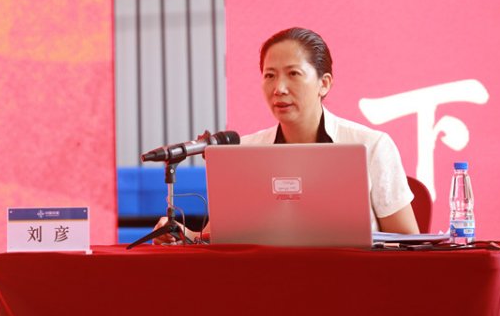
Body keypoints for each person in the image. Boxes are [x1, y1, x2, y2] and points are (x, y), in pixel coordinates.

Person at [152, 27, 419, 244]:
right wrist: (182, 235)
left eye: (293, 74)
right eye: (270, 75)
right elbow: (217, 238)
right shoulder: (243, 151)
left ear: (324, 83)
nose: (279, 88)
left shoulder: (372, 146)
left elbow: (409, 242)